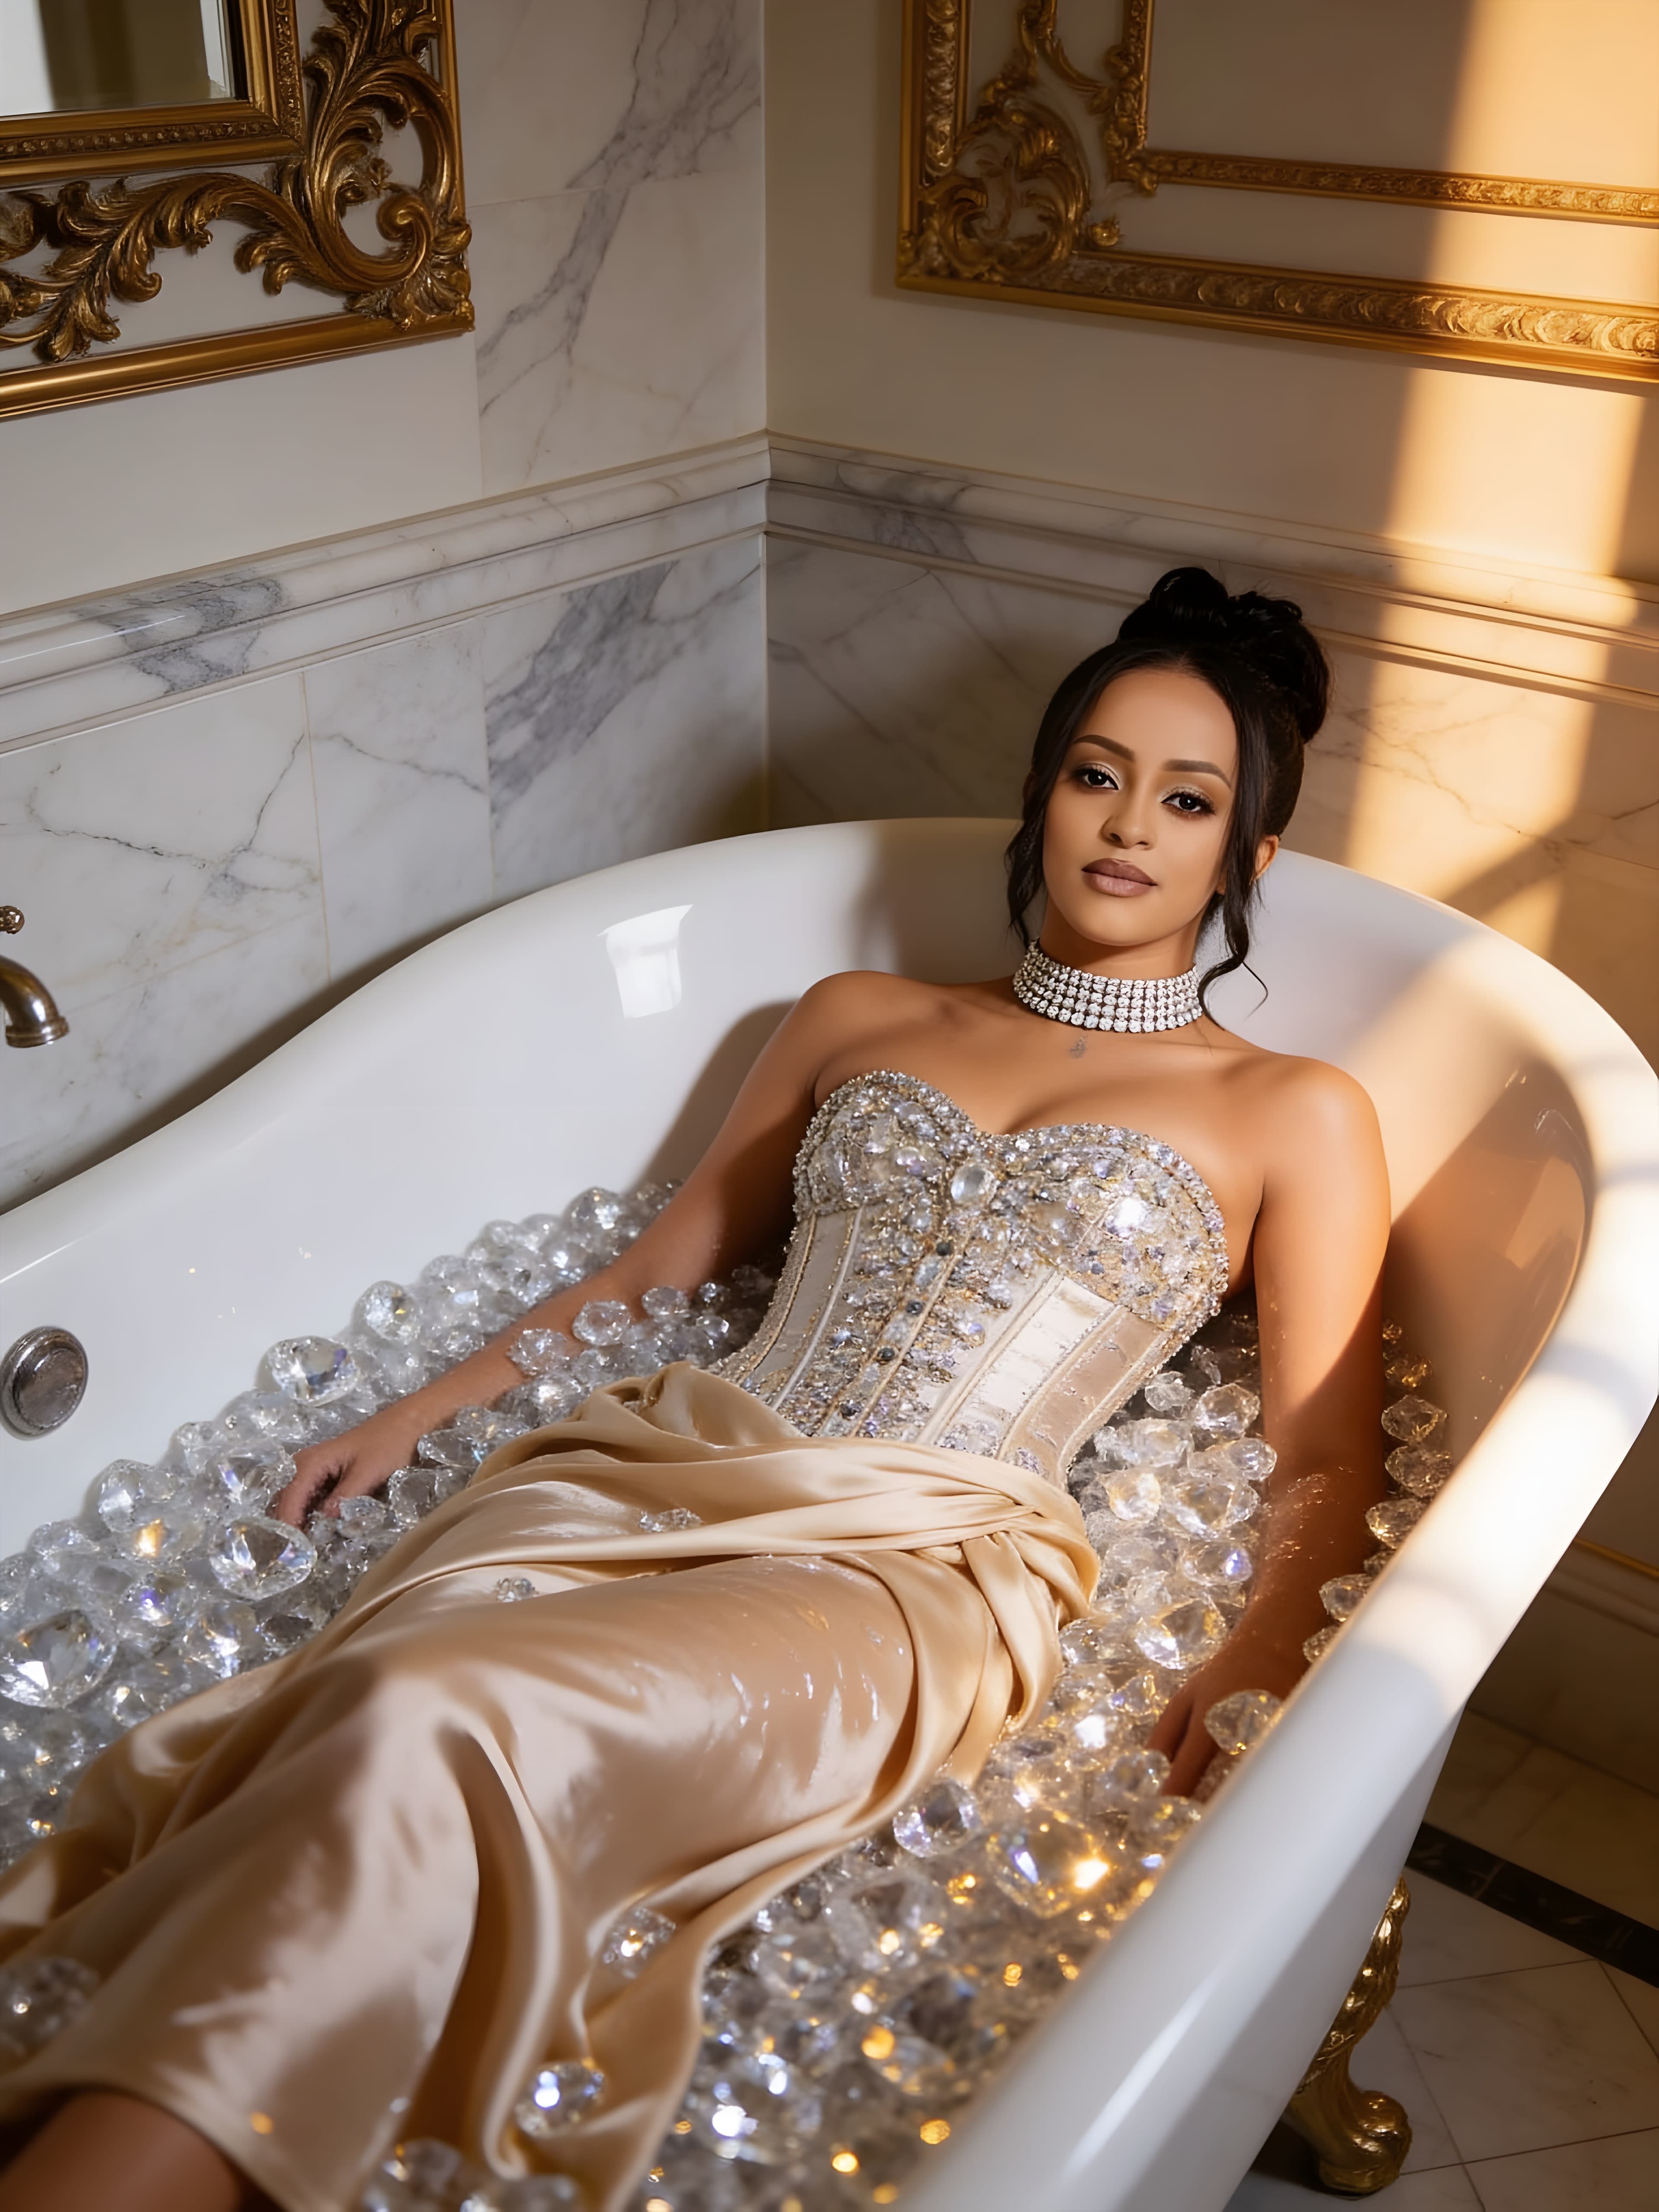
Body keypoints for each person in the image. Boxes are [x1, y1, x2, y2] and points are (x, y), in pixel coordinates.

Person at [0, 568, 1389, 2212]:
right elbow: (651, 1279)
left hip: (918, 1566)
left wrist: (1249, 1677)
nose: (1127, 825)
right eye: (1096, 772)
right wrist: (420, 1412)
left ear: (1254, 858)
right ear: (1039, 791)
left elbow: (1321, 1449)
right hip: (653, 1466)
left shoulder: (1300, 1114)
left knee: (438, 1716)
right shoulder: (860, 1016)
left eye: (1188, 797)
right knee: (375, 1698)